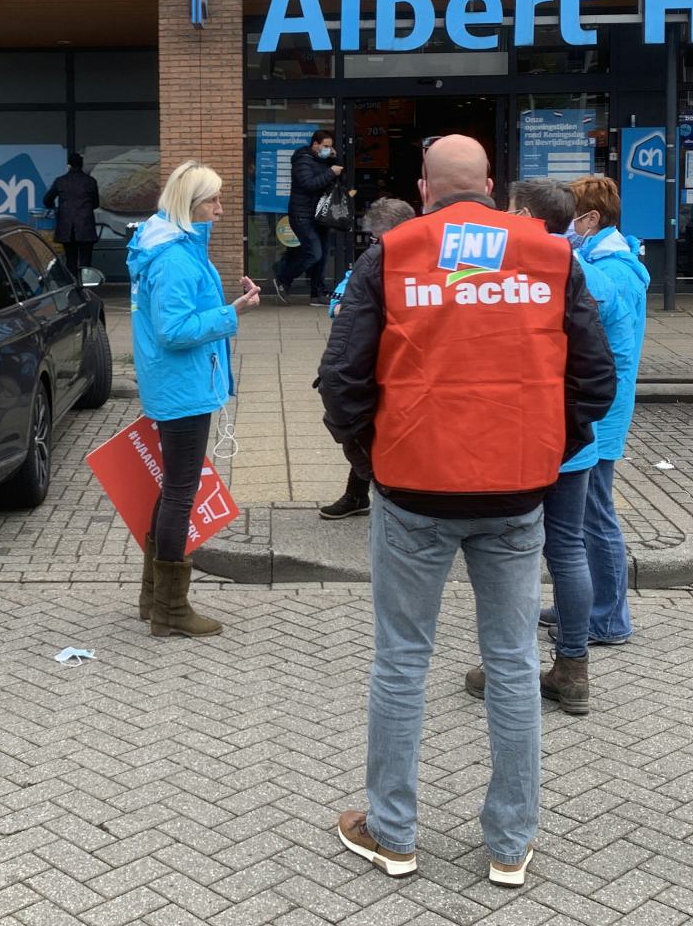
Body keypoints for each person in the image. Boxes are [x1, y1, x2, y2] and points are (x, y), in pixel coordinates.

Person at [320, 135, 614, 886]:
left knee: (401, 661)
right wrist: (548, 451)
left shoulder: (389, 254)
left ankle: (393, 832)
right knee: (513, 662)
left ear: (424, 189)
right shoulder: (552, 256)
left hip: (413, 488)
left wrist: (373, 460)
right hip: (517, 491)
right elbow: (593, 378)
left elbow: (342, 379)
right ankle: (510, 845)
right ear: (490, 184)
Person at [459, 177, 606, 716]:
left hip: (529, 440)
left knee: (510, 552)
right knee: (567, 550)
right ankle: (573, 668)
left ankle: (508, 668)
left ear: (523, 215)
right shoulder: (575, 265)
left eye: (509, 209)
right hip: (571, 439)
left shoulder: (532, 271)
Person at [125, 160, 260, 636]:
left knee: (173, 491)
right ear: (189, 205)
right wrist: (232, 311)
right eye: (213, 201)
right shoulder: (176, 258)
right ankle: (170, 611)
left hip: (177, 383)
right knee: (181, 493)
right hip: (182, 388)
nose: (221, 210)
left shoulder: (167, 246)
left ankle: (154, 599)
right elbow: (174, 330)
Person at [562, 174, 649, 648]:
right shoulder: (608, 258)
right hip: (601, 404)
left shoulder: (611, 271)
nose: (563, 229)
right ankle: (584, 602)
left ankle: (610, 618)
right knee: (583, 517)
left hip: (602, 410)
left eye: (568, 218)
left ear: (590, 219)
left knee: (595, 515)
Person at [318, 197, 416, 521]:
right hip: (375, 358)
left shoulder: (419, 260)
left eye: (377, 237)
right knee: (370, 428)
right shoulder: (374, 261)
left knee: (374, 434)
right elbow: (344, 297)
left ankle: (383, 496)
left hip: (398, 363)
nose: (373, 243)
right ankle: (358, 494)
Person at [272, 130, 341, 303]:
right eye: (326, 146)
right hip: (302, 215)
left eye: (330, 146)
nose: (328, 149)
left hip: (320, 215)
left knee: (323, 255)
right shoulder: (303, 160)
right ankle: (283, 277)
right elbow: (308, 184)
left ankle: (317, 293)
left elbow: (333, 179)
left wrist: (334, 159)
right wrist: (331, 172)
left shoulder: (322, 160)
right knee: (314, 253)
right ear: (315, 144)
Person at [44, 153, 101, 274]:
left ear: (69, 166)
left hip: (67, 228)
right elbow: (96, 203)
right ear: (81, 166)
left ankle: (73, 285)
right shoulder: (90, 181)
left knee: (70, 260)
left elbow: (47, 199)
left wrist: (54, 208)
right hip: (86, 227)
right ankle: (85, 285)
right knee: (86, 261)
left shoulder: (60, 181)